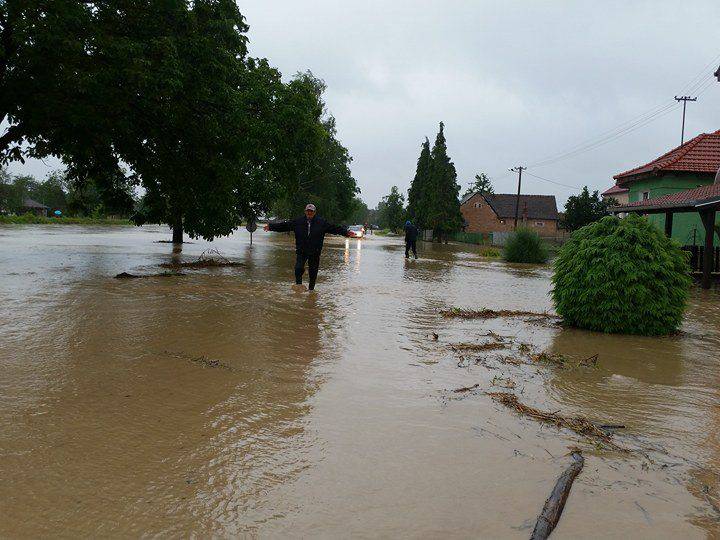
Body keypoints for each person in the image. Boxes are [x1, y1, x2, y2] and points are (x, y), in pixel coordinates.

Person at [264, 203, 350, 290]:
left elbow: (334, 228)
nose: (309, 213)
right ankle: (299, 287)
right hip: (302, 250)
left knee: (313, 272)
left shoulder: (321, 222)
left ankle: (311, 290)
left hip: (315, 251)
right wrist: (270, 227)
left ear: (314, 212)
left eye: (311, 211)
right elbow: (284, 226)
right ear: (305, 212)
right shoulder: (298, 222)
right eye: (308, 211)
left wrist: (346, 232)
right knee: (298, 268)